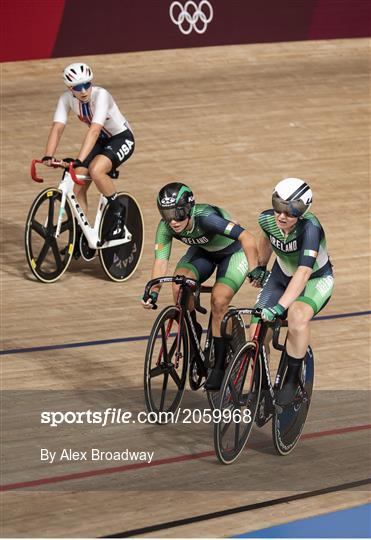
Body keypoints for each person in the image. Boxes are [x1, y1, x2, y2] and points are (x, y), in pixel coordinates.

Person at [142, 182, 262, 390]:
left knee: (218, 300)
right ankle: (192, 329)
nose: (173, 221)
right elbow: (161, 261)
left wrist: (254, 268)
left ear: (188, 209)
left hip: (232, 254)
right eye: (167, 214)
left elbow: (247, 237)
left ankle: (219, 366)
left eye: (178, 213)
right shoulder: (166, 226)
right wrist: (153, 292)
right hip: (203, 251)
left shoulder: (207, 218)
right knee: (179, 284)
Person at [249, 177, 334, 403]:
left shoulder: (310, 229)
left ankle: (292, 381)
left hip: (314, 279)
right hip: (281, 275)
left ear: (303, 211)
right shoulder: (266, 220)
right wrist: (260, 266)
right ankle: (261, 385)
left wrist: (280, 307)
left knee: (296, 316)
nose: (282, 216)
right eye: (278, 208)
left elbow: (304, 273)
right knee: (257, 329)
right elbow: (265, 239)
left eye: (291, 211)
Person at [42, 62, 135, 242]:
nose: (84, 91)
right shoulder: (65, 99)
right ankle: (83, 233)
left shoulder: (102, 95)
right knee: (78, 180)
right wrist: (48, 155)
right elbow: (57, 128)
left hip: (121, 138)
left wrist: (79, 159)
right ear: (70, 88)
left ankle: (118, 212)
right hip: (101, 140)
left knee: (96, 170)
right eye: (78, 87)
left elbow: (93, 130)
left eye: (87, 84)